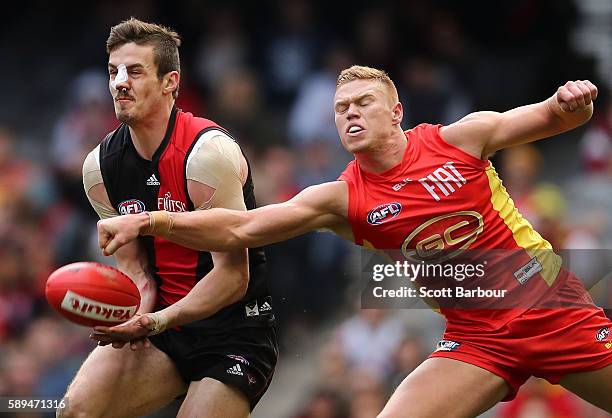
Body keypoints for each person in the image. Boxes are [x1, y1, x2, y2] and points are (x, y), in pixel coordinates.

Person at [95, 65, 612, 417]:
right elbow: (240, 227)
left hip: (552, 311)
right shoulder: (340, 198)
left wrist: (573, 101)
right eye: (341, 108)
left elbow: (556, 116)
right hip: (478, 340)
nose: (350, 113)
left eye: (364, 102)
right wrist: (148, 223)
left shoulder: (461, 139)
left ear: (396, 112)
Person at [60, 18, 278, 418]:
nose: (119, 83)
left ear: (170, 82)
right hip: (164, 330)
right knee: (75, 410)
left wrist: (156, 321)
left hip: (234, 333)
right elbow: (137, 273)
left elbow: (234, 278)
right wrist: (136, 311)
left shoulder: (207, 154)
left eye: (135, 71)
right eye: (113, 72)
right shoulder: (99, 169)